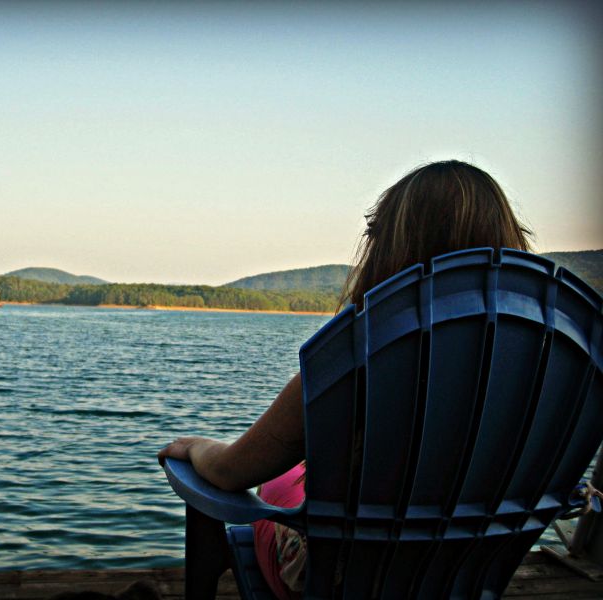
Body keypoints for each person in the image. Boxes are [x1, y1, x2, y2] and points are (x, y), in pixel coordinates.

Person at [157, 160, 532, 599]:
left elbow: (228, 472)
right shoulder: (545, 365)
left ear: (390, 248)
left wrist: (196, 449)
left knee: (275, 485)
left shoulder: (355, 356)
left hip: (343, 584)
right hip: (467, 575)